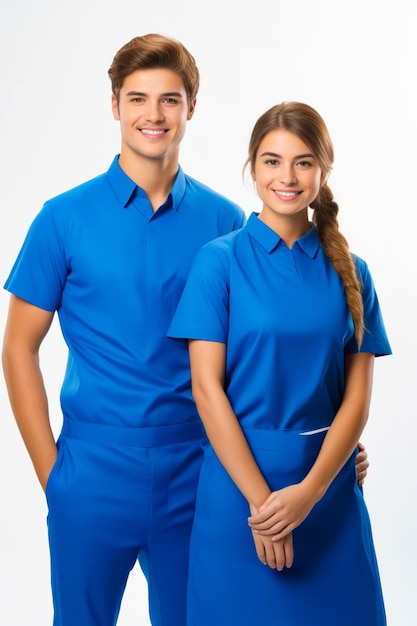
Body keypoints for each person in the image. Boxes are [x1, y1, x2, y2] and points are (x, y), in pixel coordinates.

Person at [1, 36, 368, 625]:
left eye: (169, 99)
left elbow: (275, 348)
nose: (154, 115)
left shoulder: (226, 224)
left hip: (200, 470)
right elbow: (18, 347)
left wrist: (324, 446)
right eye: (138, 98)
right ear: (114, 104)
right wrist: (54, 474)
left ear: (190, 107)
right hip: (93, 465)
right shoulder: (61, 219)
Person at [168, 101, 391, 625]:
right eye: (271, 161)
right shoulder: (218, 261)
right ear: (252, 168)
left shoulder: (353, 272)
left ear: (323, 169)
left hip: (328, 490)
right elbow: (206, 390)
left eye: (303, 162)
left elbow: (356, 401)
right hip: (237, 490)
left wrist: (309, 496)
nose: (286, 177)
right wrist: (265, 508)